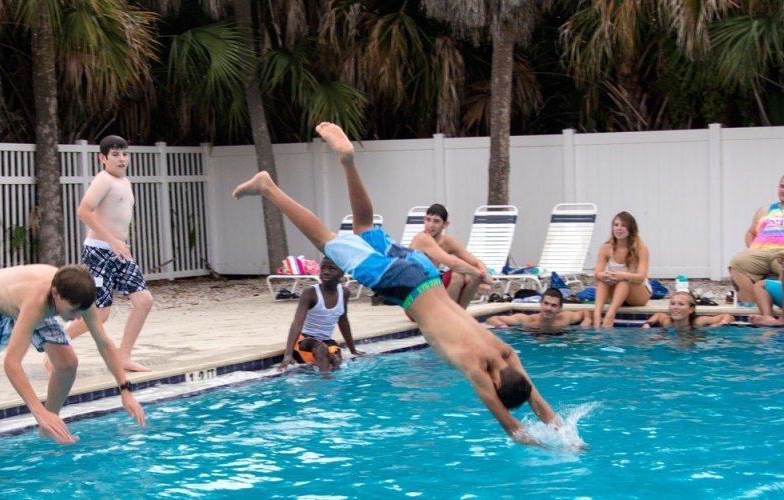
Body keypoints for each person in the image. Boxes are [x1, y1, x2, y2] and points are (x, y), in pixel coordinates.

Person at [234, 122, 564, 446]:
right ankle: (269, 188)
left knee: (364, 226)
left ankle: (348, 162)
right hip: (402, 286)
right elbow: (512, 428)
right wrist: (559, 454)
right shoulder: (476, 366)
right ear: (494, 381)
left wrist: (569, 436)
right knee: (327, 241)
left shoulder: (508, 355)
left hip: (424, 272)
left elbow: (538, 402)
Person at [0, 264, 146, 444]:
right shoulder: (37, 301)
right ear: (55, 293)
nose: (77, 318)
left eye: (80, 312)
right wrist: (37, 411)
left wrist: (125, 389)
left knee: (67, 363)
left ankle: (50, 425)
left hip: (21, 304)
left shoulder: (80, 299)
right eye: (71, 311)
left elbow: (104, 344)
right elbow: (12, 363)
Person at [61, 135, 154, 372]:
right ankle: (56, 344)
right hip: (99, 252)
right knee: (100, 314)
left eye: (124, 154)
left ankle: (123, 357)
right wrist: (111, 240)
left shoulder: (126, 182)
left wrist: (119, 242)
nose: (121, 159)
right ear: (102, 158)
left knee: (143, 301)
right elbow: (83, 211)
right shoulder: (103, 180)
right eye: (115, 155)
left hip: (119, 251)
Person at [278, 257, 363, 373]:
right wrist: (287, 354)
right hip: (304, 340)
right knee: (321, 349)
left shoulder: (344, 292)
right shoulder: (311, 293)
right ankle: (325, 384)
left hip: (326, 340)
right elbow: (297, 324)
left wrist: (353, 349)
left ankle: (330, 380)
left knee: (336, 359)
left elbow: (343, 321)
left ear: (342, 272)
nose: (326, 272)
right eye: (323, 268)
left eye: (332, 269)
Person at [729, 173, 784, 304]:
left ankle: (782, 306)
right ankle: (752, 306)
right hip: (761, 253)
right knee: (736, 262)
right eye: (782, 186)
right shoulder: (765, 210)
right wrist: (753, 250)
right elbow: (751, 233)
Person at [409, 204, 488, 309]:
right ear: (424, 220)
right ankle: (451, 317)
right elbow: (454, 263)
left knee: (473, 277)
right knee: (458, 274)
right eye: (428, 220)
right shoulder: (422, 238)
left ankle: (460, 316)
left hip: (433, 291)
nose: (430, 225)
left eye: (436, 221)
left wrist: (483, 279)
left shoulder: (448, 241)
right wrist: (482, 275)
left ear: (445, 225)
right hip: (416, 301)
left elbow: (476, 262)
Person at [592, 211, 651, 327]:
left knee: (623, 281)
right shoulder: (605, 248)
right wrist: (603, 275)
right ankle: (597, 314)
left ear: (631, 228)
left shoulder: (641, 249)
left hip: (638, 293)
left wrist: (623, 275)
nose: (619, 228)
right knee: (603, 281)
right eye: (616, 225)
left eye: (623, 225)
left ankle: (611, 314)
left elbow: (641, 277)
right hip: (617, 294)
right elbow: (596, 274)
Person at [486, 288, 592, 330]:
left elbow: (585, 312)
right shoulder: (528, 320)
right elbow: (492, 319)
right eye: (546, 303)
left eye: (553, 305)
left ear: (560, 308)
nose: (548, 308)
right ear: (540, 303)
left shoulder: (565, 318)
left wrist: (587, 319)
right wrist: (503, 327)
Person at [641, 291, 735, 331]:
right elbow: (658, 315)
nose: (675, 307)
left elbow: (728, 316)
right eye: (672, 303)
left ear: (691, 309)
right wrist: (648, 323)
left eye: (681, 304)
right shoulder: (668, 323)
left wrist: (721, 323)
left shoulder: (698, 322)